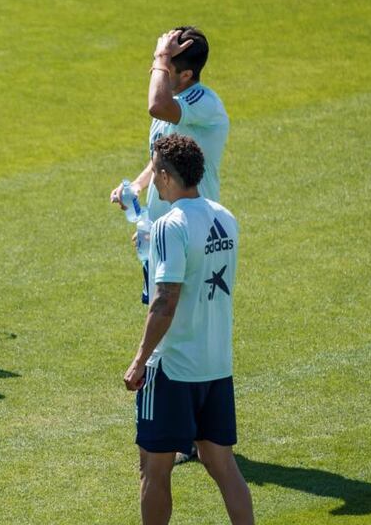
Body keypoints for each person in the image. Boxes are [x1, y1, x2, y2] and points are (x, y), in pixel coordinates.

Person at [111, 26, 230, 463]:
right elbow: (161, 152)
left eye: (165, 68)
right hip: (164, 228)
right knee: (168, 317)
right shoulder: (178, 107)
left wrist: (160, 57)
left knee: (171, 321)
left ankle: (181, 434)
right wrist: (138, 189)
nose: (158, 71)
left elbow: (154, 104)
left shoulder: (201, 104)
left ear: (184, 75)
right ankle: (196, 435)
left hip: (194, 229)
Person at [123, 134, 253, 525]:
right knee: (221, 463)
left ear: (163, 175)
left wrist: (140, 360)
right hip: (216, 363)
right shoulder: (225, 217)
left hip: (174, 367)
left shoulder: (169, 224)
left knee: (153, 467)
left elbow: (165, 301)